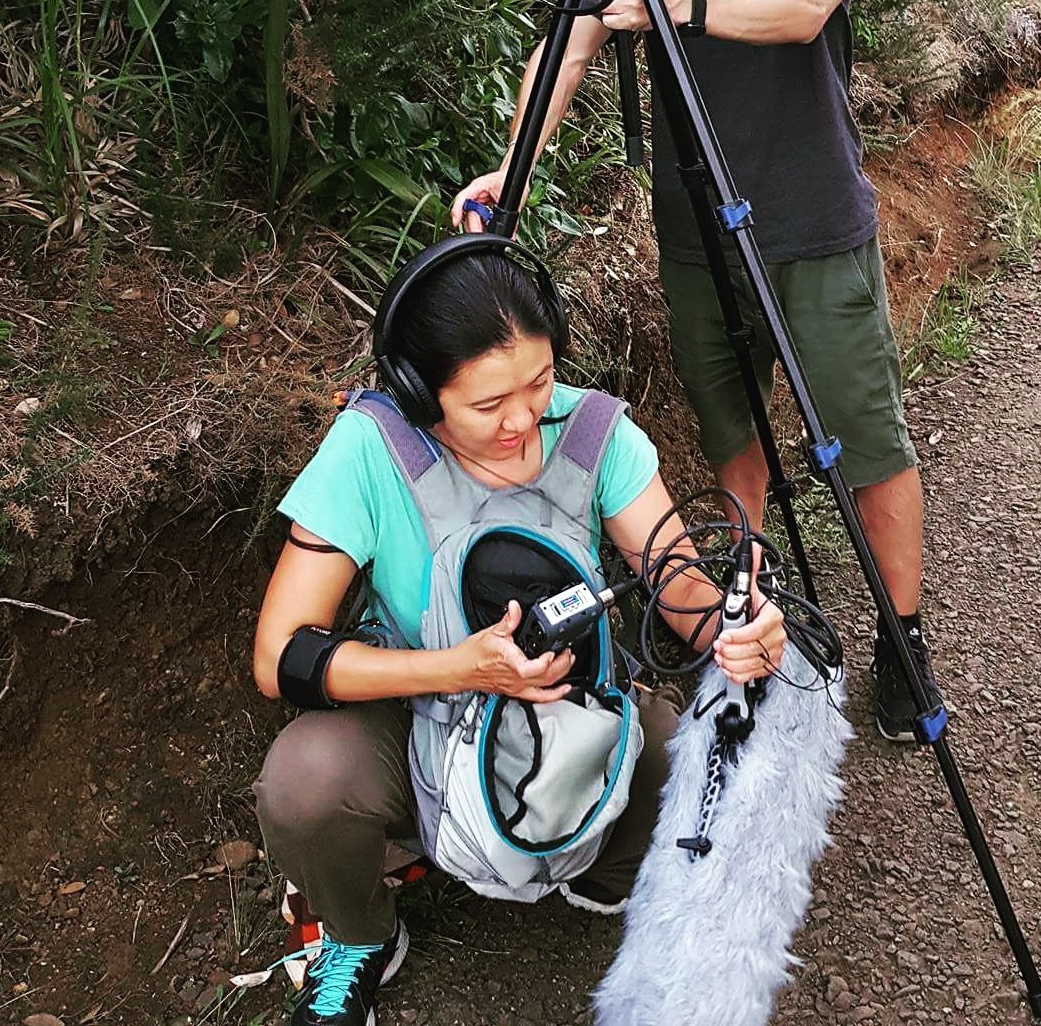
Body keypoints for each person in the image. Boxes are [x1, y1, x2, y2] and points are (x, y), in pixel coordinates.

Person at [452, 0, 943, 744]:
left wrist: (673, 2)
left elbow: (804, 8)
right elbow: (570, 45)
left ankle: (902, 639)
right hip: (697, 236)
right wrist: (509, 171)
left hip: (812, 221)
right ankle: (747, 621)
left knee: (867, 444)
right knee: (736, 451)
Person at [251, 237, 786, 1026]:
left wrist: (736, 629)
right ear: (418, 392)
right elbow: (280, 656)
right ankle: (360, 935)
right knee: (305, 783)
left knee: (698, 760)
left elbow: (679, 584)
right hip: (421, 722)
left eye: (538, 382)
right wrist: (460, 671)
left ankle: (591, 867)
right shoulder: (371, 450)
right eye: (486, 404)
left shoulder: (594, 436)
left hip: (576, 716)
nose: (523, 418)